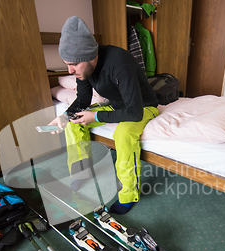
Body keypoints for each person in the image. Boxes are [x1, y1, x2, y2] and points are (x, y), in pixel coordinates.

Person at [48, 16, 159, 215]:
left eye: (73, 64)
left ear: (91, 57)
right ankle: (82, 172)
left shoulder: (119, 62)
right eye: (66, 64)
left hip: (143, 107)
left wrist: (96, 117)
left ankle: (128, 193)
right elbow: (83, 99)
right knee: (74, 122)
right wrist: (64, 117)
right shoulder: (84, 70)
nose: (70, 70)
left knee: (123, 134)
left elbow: (134, 112)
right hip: (114, 106)